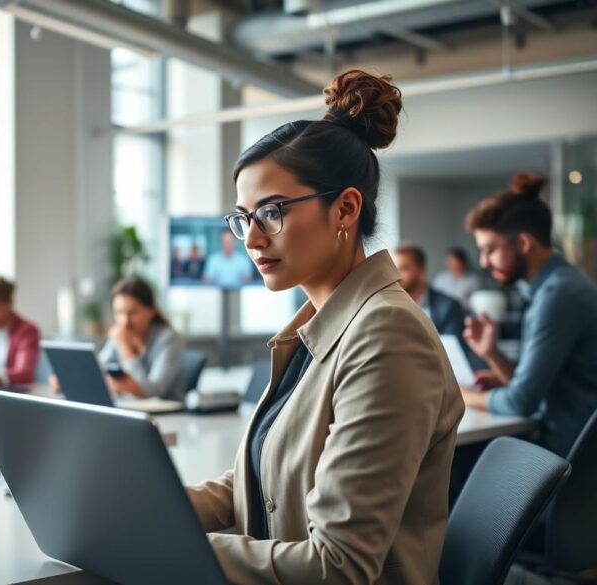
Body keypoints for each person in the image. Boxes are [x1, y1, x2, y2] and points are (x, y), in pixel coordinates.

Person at [188, 71, 464, 584]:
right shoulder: (321, 326)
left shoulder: (387, 338)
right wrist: (149, 510)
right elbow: (262, 477)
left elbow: (339, 566)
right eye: (243, 217)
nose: (250, 239)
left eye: (271, 213)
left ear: (345, 208)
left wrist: (173, 549)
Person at [461, 172, 597, 458]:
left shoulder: (557, 295)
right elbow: (531, 389)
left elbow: (521, 402)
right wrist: (492, 353)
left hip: (571, 460)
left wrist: (459, 396)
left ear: (524, 243)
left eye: (490, 250)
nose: (484, 262)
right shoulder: (556, 286)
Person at [98, 276, 186, 400]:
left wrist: (126, 349)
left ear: (151, 311)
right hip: (129, 409)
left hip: (168, 415)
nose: (125, 321)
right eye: (119, 313)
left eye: (132, 313)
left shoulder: (169, 339)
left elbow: (153, 391)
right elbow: (96, 370)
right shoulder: (120, 335)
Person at [392, 242, 465, 337]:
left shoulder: (450, 307)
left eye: (404, 269)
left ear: (422, 271)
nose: (396, 276)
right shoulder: (390, 307)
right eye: (394, 269)